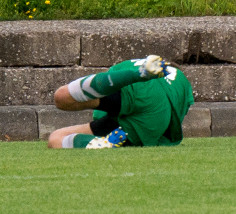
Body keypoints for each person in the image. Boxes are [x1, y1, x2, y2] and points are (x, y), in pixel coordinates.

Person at [46, 55, 195, 149]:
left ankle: (138, 74)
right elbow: (177, 119)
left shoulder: (136, 63)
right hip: (155, 118)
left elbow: (101, 109)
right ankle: (102, 144)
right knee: (56, 138)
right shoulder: (183, 84)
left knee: (61, 98)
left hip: (139, 90)